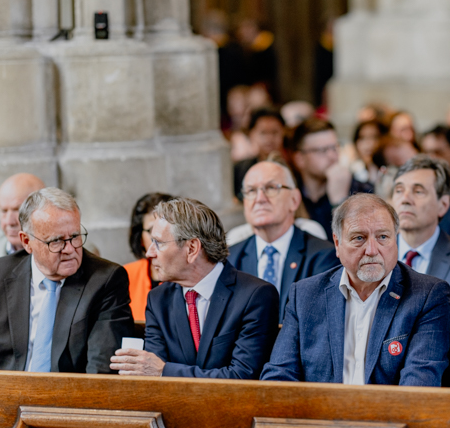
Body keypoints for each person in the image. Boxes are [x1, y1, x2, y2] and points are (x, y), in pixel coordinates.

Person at [260, 194, 450, 385]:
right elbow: (279, 377)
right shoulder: (305, 295)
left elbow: (419, 384)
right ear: (337, 243)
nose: (371, 250)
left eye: (383, 237)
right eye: (359, 238)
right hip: (319, 414)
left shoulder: (427, 295)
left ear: (396, 239)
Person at [0, 188, 133, 373]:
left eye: (75, 236)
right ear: (26, 242)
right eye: (56, 241)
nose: (70, 249)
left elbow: (100, 373)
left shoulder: (105, 280)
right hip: (5, 395)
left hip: (70, 398)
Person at [110, 198, 279, 378]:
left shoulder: (256, 296)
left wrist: (164, 371)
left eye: (158, 243)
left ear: (191, 248)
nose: (150, 252)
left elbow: (241, 377)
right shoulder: (158, 299)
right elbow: (153, 379)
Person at [390, 156, 450, 329]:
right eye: (399, 190)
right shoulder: (374, 253)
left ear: (443, 205)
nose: (405, 199)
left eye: (418, 191)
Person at [228, 160, 339, 312]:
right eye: (251, 191)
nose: (260, 199)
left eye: (271, 188)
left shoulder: (322, 256)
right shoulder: (230, 259)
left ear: (294, 200)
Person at [291, 117, 372, 240]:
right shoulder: (291, 195)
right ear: (300, 159)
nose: (332, 156)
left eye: (334, 148)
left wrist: (340, 201)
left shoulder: (363, 191)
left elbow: (360, 243)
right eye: (322, 150)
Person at [124, 192, 176, 322]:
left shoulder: (191, 277)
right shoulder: (124, 276)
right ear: (140, 238)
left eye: (168, 229)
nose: (161, 237)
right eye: (153, 230)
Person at [232, 108, 287, 200]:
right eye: (263, 133)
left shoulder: (294, 167)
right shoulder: (239, 170)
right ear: (251, 134)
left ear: (284, 133)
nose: (269, 139)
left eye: (274, 132)